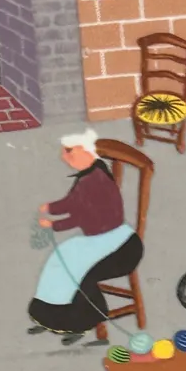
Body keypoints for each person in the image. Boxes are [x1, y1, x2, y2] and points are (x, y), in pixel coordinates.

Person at [28, 128, 143, 345]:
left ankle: (82, 323)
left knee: (78, 270)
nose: (65, 157)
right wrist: (50, 207)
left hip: (120, 246)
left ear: (86, 151)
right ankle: (52, 318)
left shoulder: (96, 180)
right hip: (99, 239)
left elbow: (82, 216)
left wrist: (53, 224)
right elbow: (73, 202)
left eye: (70, 151)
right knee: (58, 260)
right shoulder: (87, 177)